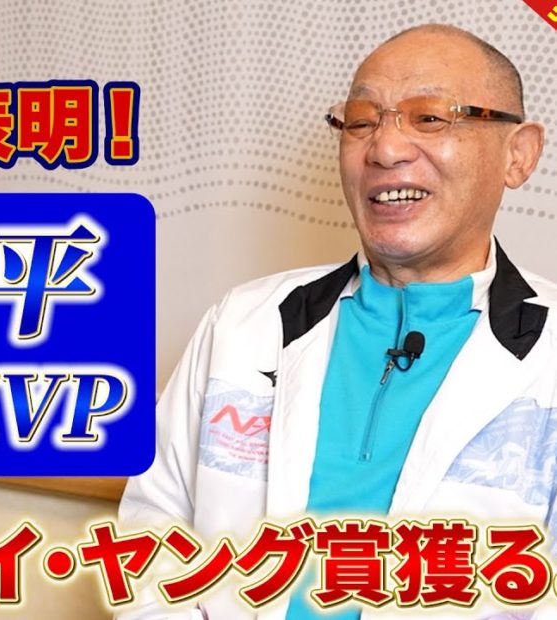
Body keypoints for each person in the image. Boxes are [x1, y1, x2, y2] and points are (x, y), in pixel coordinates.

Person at [118, 24, 555, 620]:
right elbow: (152, 539)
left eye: (430, 118)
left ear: (518, 154)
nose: (385, 149)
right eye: (361, 121)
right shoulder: (243, 324)